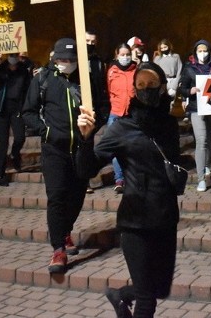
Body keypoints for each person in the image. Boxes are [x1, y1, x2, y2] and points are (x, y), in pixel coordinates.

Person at [83, 62, 181, 318]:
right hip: (136, 221)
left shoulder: (170, 125)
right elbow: (89, 168)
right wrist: (85, 139)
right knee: (147, 299)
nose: (147, 90)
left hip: (166, 217)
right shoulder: (122, 127)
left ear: (162, 88)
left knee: (159, 289)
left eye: (152, 85)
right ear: (134, 91)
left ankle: (120, 296)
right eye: (141, 85)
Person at [20, 37, 97, 274]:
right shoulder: (43, 78)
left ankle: (65, 230)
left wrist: (93, 123)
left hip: (82, 146)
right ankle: (58, 249)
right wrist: (46, 131)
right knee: (57, 196)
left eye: (71, 60)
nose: (66, 63)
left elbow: (102, 106)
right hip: (54, 148)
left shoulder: (86, 79)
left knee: (76, 196)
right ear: (54, 58)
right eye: (61, 59)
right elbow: (28, 112)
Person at [179, 39, 211, 192]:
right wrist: (188, 92)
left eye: (205, 51)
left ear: (210, 52)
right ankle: (201, 178)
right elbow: (182, 87)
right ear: (195, 52)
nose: (202, 54)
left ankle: (205, 163)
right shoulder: (189, 68)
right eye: (200, 51)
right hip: (196, 108)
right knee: (201, 140)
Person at [0, 52, 31, 186]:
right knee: (3, 141)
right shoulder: (1, 68)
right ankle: (0, 173)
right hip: (1, 109)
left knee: (20, 137)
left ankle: (14, 154)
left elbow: (28, 86)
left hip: (17, 108)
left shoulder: (24, 69)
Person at [107, 43, 138, 193]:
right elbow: (107, 90)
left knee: (133, 147)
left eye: (127, 54)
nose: (125, 57)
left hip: (132, 114)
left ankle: (132, 177)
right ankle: (119, 179)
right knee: (116, 147)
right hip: (116, 113)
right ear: (117, 55)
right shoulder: (111, 71)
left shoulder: (136, 70)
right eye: (122, 54)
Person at [85, 30, 111, 193]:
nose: (90, 44)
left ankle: (86, 177)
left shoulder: (98, 61)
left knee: (88, 143)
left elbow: (101, 84)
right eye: (87, 41)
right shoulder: (74, 59)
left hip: (95, 107)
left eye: (93, 41)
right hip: (78, 106)